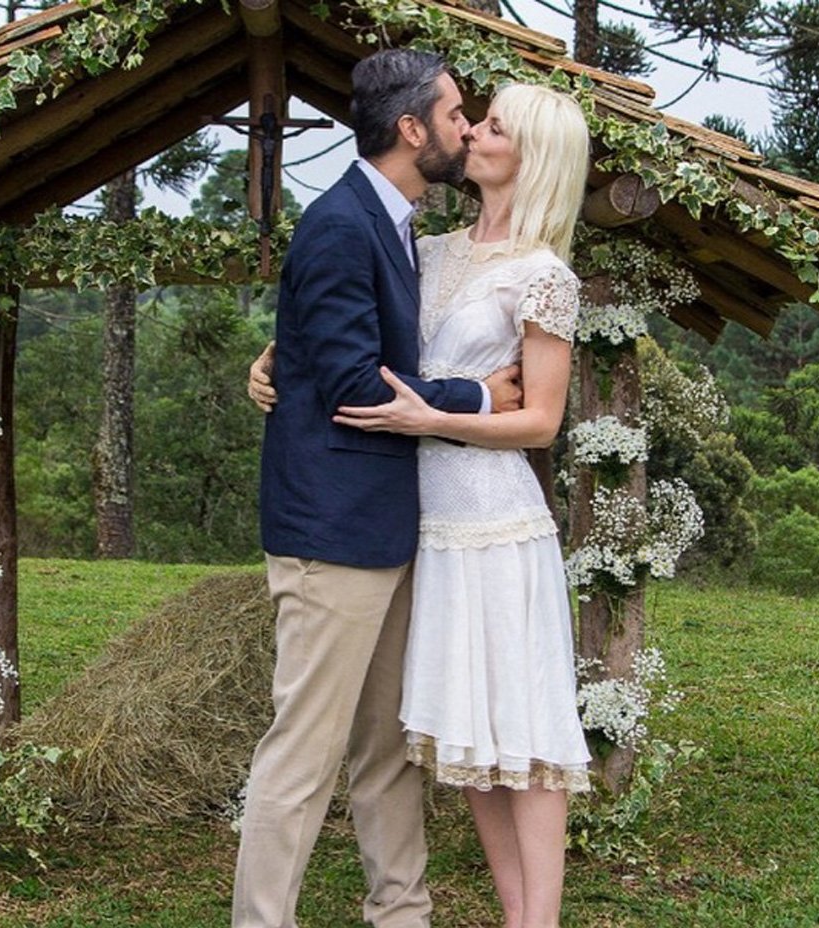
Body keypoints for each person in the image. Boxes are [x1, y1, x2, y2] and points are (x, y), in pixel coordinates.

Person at [254, 82, 593, 928]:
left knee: (521, 723)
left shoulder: (544, 274)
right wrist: (277, 358)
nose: (472, 130)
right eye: (467, 117)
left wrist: (438, 414)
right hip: (419, 523)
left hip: (493, 517)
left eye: (492, 125)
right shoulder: (425, 249)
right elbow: (351, 329)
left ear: (531, 155)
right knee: (463, 732)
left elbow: (542, 420)